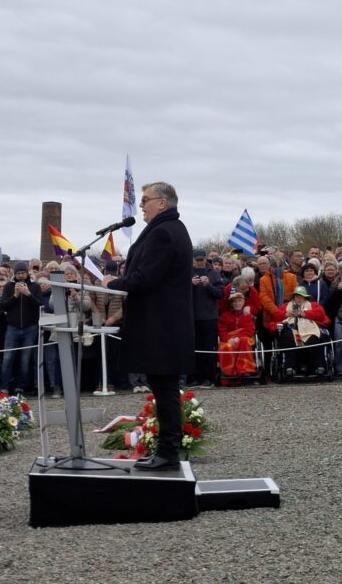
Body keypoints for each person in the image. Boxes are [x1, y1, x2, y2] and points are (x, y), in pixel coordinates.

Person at [103, 181, 194, 471]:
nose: (141, 205)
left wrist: (114, 283)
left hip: (161, 325)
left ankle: (168, 452)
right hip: (161, 322)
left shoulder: (164, 232)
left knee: (165, 389)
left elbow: (147, 277)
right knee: (163, 387)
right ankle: (167, 450)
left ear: (162, 203)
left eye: (146, 200)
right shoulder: (166, 228)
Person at [0, 262, 43, 395]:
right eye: (18, 273)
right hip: (12, 327)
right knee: (8, 358)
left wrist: (28, 294)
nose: (21, 275)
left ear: (27, 273)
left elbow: (40, 305)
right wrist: (15, 296)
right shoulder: (8, 287)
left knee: (25, 359)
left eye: (23, 273)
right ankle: (4, 387)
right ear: (15, 274)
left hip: (30, 327)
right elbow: (4, 305)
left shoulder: (35, 286)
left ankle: (20, 386)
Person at [271, 286, 331, 377]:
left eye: (301, 296)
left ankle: (318, 366)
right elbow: (276, 316)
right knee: (289, 338)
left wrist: (304, 313)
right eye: (297, 296)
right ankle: (290, 367)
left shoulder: (313, 305)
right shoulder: (286, 306)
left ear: (305, 297)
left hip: (310, 329)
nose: (299, 298)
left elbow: (321, 314)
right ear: (293, 297)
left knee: (315, 338)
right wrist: (287, 314)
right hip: (291, 329)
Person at [189, 248, 224, 387]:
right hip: (192, 317)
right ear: (193, 260)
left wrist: (208, 285)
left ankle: (210, 378)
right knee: (195, 349)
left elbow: (220, 294)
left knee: (209, 348)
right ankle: (195, 378)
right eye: (197, 260)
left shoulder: (214, 274)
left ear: (205, 259)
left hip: (209, 317)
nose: (199, 262)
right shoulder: (188, 273)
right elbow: (178, 293)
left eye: (201, 259)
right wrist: (190, 285)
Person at [217, 291, 257, 381]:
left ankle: (245, 369)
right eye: (234, 301)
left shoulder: (248, 315)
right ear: (231, 304)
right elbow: (222, 331)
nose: (237, 303)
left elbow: (250, 329)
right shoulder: (225, 316)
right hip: (229, 339)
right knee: (226, 346)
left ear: (243, 302)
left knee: (244, 341)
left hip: (245, 337)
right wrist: (229, 339)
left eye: (239, 301)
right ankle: (229, 372)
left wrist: (238, 337)